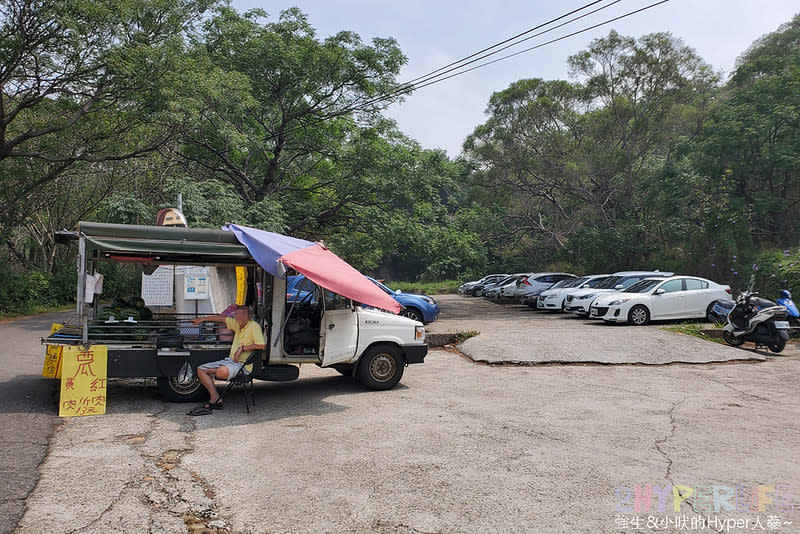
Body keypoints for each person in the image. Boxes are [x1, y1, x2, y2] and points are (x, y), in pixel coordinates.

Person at [187, 305, 265, 414]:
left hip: (243, 366)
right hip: (230, 362)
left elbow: (261, 345)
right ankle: (215, 398)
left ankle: (213, 371)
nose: (237, 317)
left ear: (248, 316)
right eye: (236, 315)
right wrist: (202, 319)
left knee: (221, 372)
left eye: (241, 315)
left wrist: (242, 348)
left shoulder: (253, 326)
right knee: (200, 370)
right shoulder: (237, 325)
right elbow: (222, 318)